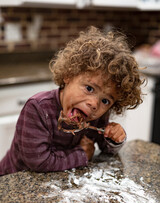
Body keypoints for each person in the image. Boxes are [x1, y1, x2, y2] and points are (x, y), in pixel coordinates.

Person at [0, 26, 145, 176]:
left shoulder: (97, 116)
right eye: (89, 88)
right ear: (68, 75)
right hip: (14, 181)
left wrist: (115, 138)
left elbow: (106, 150)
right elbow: (39, 161)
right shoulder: (38, 109)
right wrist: (82, 154)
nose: (94, 104)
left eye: (105, 101)